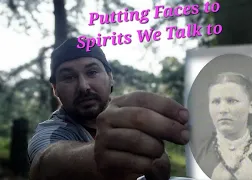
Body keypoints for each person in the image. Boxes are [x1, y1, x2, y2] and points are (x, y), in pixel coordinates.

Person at [27, 37, 191, 180]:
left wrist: (157, 158)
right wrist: (99, 157)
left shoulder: (130, 117)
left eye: (92, 72)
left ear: (110, 78)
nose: (84, 86)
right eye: (68, 77)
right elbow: (44, 163)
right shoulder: (52, 131)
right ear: (55, 89)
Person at [195, 72, 252, 180]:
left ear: (251, 106)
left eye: (231, 101)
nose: (222, 110)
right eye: (216, 102)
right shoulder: (199, 154)